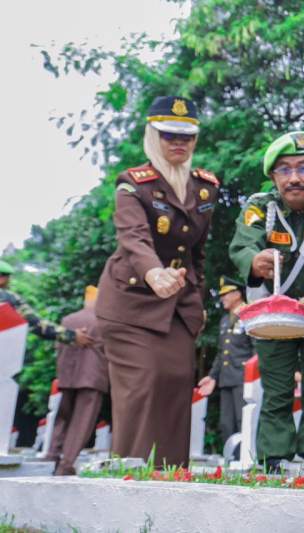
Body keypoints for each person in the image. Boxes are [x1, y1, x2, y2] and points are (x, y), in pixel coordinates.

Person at [95, 96, 219, 467]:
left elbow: (198, 254)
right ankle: (131, 474)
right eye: (168, 135)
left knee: (176, 383)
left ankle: (169, 479)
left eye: (187, 137)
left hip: (178, 306)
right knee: (143, 383)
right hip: (131, 302)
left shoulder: (205, 188)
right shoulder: (133, 184)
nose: (178, 143)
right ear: (153, 136)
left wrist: (197, 301)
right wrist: (154, 272)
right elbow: (133, 238)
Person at [229, 131, 304, 475]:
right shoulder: (260, 208)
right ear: (273, 177)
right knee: (277, 390)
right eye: (284, 169)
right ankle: (274, 461)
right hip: (273, 318)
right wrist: (254, 261)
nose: (294, 177)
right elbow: (242, 246)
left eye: (303, 167)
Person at [47, 285, 109, 476]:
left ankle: (52, 456)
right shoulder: (105, 322)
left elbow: (59, 347)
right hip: (93, 377)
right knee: (82, 422)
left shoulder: (68, 319)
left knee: (62, 417)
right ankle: (66, 464)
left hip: (67, 376)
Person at [197, 276, 253, 444]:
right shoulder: (224, 320)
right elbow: (222, 352)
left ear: (237, 294)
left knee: (243, 421)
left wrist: (255, 375)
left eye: (226, 294)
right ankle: (231, 461)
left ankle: (247, 459)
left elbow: (257, 349)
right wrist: (213, 377)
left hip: (245, 378)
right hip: (227, 378)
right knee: (226, 423)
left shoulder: (249, 316)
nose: (223, 298)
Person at [0, 260, 93, 347]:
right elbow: (35, 324)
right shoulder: (6, 297)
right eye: (8, 278)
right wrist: (72, 336)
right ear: (2, 279)